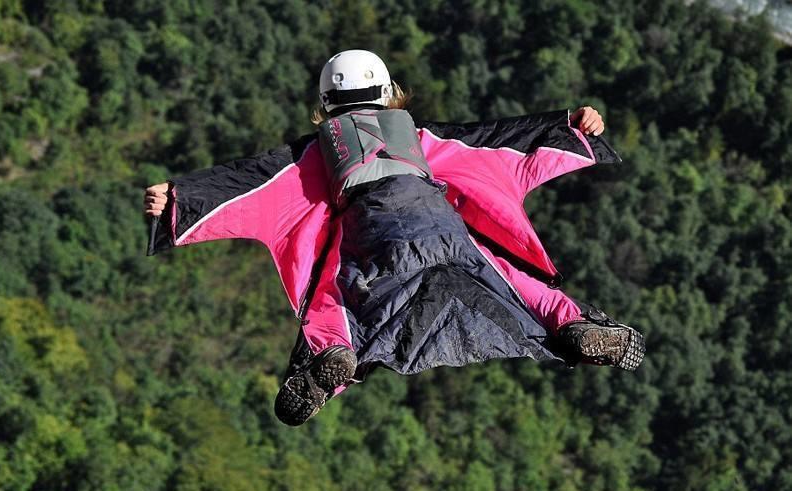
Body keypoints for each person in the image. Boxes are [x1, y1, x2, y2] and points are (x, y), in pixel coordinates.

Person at [144, 50, 645, 426]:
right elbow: (503, 138)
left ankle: (329, 356)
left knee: (330, 297)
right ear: (388, 95)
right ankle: (572, 323)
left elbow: (246, 184)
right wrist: (573, 128)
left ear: (326, 106)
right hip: (443, 229)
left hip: (372, 235)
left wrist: (181, 200)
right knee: (506, 277)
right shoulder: (425, 140)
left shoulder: (310, 158)